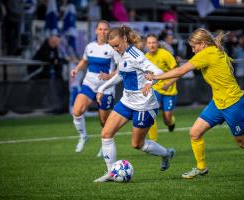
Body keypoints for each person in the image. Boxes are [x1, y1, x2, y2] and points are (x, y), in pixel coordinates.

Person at [145, 28, 244, 183]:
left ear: (203, 44)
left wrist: (155, 77)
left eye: (194, 46)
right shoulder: (212, 51)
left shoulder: (207, 54)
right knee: (195, 133)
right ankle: (201, 168)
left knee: (243, 142)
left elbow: (180, 71)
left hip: (234, 103)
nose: (192, 50)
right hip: (218, 102)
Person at [94, 26, 174, 183]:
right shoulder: (120, 54)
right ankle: (111, 173)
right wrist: (102, 88)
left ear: (124, 39)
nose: (115, 49)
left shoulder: (136, 55)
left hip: (145, 105)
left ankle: (166, 154)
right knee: (106, 134)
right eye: (112, 46)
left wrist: (149, 84)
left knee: (137, 145)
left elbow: (158, 72)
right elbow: (120, 74)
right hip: (127, 102)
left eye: (117, 45)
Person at [70, 20, 117, 153]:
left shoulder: (113, 48)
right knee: (77, 111)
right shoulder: (90, 46)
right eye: (100, 29)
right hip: (89, 83)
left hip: (106, 87)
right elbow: (84, 60)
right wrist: (76, 69)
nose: (103, 32)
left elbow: (120, 68)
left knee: (103, 121)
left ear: (109, 31)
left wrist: (109, 76)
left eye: (105, 29)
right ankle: (83, 136)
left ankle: (105, 143)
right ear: (96, 31)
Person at [145, 33, 178, 141]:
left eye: (154, 42)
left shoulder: (165, 54)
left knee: (167, 119)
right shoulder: (145, 58)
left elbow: (177, 71)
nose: (152, 45)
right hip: (155, 89)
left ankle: (171, 122)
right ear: (146, 45)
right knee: (151, 111)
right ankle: (153, 141)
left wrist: (168, 83)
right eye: (149, 43)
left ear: (157, 43)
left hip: (169, 90)